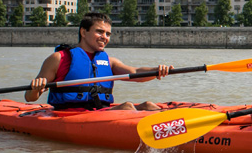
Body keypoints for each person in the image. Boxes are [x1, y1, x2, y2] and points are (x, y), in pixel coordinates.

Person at [26, 12, 172, 111]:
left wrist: (157, 71)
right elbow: (30, 97)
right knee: (127, 106)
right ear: (84, 32)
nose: (105, 37)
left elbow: (135, 73)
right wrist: (36, 88)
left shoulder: (109, 61)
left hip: (100, 111)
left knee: (148, 105)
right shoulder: (59, 58)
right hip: (69, 115)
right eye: (99, 32)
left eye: (108, 34)